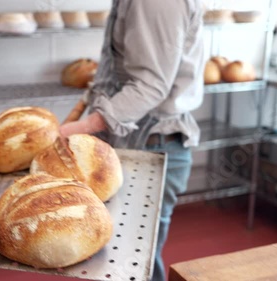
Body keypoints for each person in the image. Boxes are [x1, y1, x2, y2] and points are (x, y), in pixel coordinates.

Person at [59, 0, 205, 280]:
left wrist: (88, 125)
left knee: (132, 266)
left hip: (149, 146)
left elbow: (151, 85)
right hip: (137, 143)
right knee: (115, 261)